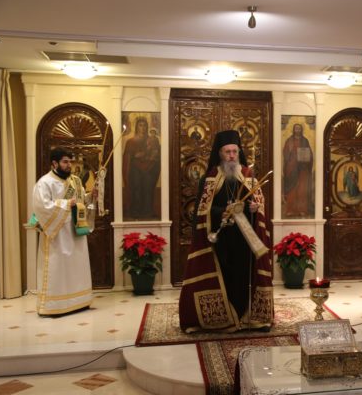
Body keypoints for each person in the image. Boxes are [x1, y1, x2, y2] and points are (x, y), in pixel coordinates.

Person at [178, 130, 274, 332]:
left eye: (234, 151)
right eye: (227, 152)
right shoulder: (209, 179)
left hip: (244, 240)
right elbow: (202, 211)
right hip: (220, 240)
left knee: (244, 277)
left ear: (239, 152)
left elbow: (258, 207)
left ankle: (247, 317)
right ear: (220, 153)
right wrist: (221, 212)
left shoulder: (249, 177)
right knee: (225, 276)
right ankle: (224, 318)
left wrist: (255, 209)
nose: (231, 156)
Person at [32, 147, 96, 316]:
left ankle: (79, 302)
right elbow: (42, 207)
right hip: (57, 235)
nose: (69, 165)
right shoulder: (44, 183)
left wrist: (90, 196)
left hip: (75, 231)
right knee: (58, 269)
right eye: (65, 162)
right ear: (54, 163)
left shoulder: (75, 181)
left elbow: (80, 201)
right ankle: (55, 305)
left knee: (76, 268)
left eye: (70, 162)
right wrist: (66, 204)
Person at [122, 118, 159, 219]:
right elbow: (127, 158)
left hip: (149, 169)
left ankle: (147, 212)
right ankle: (135, 211)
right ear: (136, 127)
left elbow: (157, 155)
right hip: (135, 170)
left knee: (148, 189)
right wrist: (135, 156)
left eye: (144, 125)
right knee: (136, 189)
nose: (143, 128)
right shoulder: (130, 142)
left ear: (147, 127)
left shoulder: (153, 140)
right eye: (140, 125)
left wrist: (150, 158)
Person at [282, 123, 313, 217]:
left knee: (302, 189)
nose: (298, 130)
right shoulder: (289, 140)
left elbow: (310, 153)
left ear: (301, 130)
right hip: (292, 167)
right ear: (293, 130)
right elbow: (285, 152)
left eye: (299, 128)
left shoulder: (305, 141)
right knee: (292, 190)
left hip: (303, 168)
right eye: (296, 128)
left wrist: (306, 157)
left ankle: (302, 210)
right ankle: (291, 210)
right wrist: (291, 155)